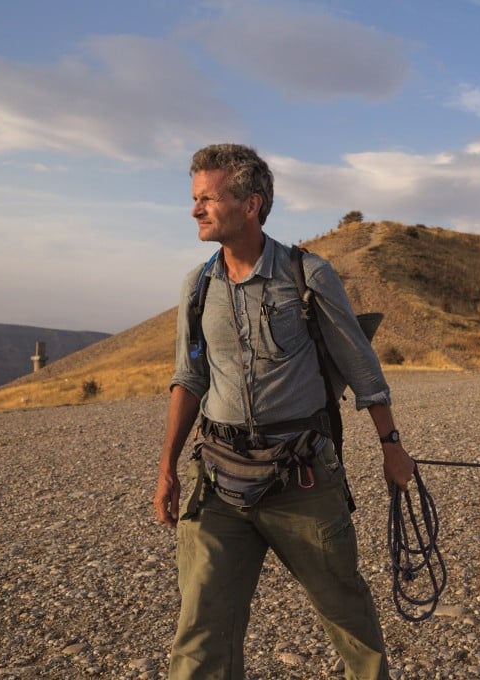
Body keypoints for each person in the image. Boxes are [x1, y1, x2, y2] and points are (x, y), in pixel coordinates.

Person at [153, 143, 415, 679]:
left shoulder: (308, 275)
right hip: (218, 477)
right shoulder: (197, 287)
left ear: (251, 204)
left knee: (346, 612)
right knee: (202, 623)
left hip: (302, 478)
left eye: (207, 198)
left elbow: (363, 370)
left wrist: (392, 447)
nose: (195, 209)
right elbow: (189, 379)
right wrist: (167, 470)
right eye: (194, 198)